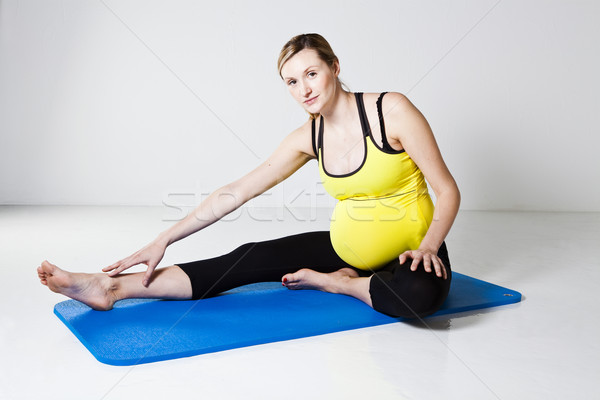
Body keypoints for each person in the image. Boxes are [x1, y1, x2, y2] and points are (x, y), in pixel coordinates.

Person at [37, 33, 460, 319]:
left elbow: (447, 190)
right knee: (247, 257)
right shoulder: (306, 138)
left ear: (333, 66)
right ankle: (109, 288)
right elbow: (236, 192)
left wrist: (428, 247)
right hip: (346, 246)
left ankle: (339, 286)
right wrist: (164, 238)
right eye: (291, 82)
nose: (304, 90)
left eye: (311, 74)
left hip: (413, 250)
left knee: (418, 296)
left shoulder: (392, 111)